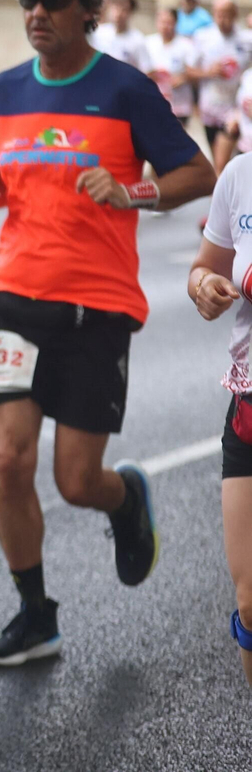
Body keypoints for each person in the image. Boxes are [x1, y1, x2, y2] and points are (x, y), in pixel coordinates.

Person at [0, 0, 215, 667]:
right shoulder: (6, 90)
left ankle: (123, 499)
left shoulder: (126, 89)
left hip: (95, 307)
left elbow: (198, 174)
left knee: (75, 481)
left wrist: (133, 190)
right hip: (13, 297)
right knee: (9, 460)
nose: (37, 12)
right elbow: (5, 175)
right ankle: (35, 616)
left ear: (88, 8)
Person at [187, 153, 252, 688]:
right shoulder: (240, 176)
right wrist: (204, 286)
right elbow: (203, 268)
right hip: (249, 406)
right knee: (251, 601)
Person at [193, 0, 252, 173]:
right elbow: (189, 70)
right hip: (209, 108)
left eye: (227, 15)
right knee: (216, 162)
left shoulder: (246, 39)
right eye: (219, 15)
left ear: (235, 15)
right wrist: (208, 72)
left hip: (233, 110)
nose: (222, 20)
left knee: (221, 164)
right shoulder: (203, 37)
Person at [143, 7, 201, 127]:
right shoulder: (148, 43)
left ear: (176, 23)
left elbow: (195, 72)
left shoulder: (186, 45)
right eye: (162, 22)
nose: (165, 26)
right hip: (152, 101)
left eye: (169, 23)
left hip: (179, 105)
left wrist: (183, 78)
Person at [89, 0, 145, 70]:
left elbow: (146, 69)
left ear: (130, 13)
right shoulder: (98, 33)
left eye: (124, 10)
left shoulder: (137, 39)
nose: (119, 14)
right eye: (116, 8)